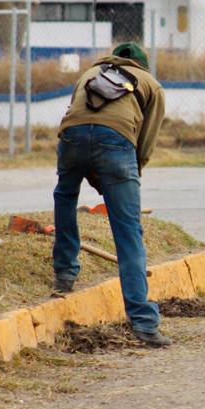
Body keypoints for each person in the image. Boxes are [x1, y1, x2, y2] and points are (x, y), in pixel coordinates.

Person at [52, 42, 169, 347]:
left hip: (71, 137)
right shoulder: (151, 84)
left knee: (65, 195)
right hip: (117, 142)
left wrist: (94, 170)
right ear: (142, 65)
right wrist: (128, 175)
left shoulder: (90, 72)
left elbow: (79, 116)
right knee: (128, 228)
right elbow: (145, 143)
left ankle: (64, 274)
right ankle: (143, 323)